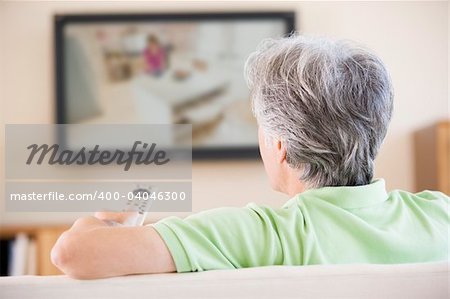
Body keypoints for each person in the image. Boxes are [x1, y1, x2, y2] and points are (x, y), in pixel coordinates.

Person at [51, 35, 449, 279]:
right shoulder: (439, 216)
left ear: (281, 145)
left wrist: (109, 223)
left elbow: (73, 254)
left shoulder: (258, 234)